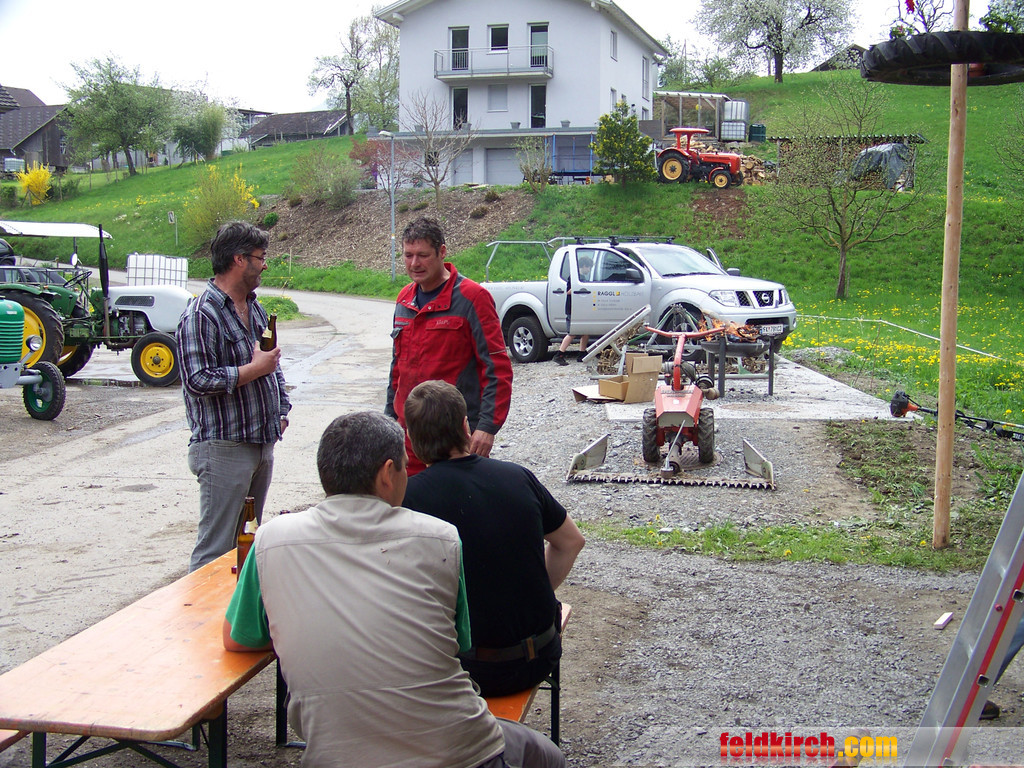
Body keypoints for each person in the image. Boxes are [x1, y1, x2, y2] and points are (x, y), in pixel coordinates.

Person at [223, 411, 564, 768]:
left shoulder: (271, 539)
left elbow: (236, 638)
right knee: (547, 755)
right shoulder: (439, 537)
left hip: (334, 757)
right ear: (388, 473)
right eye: (404, 465)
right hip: (457, 753)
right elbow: (458, 642)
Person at [402, 380, 585, 697]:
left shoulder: (410, 499)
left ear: (411, 439)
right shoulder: (518, 476)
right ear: (465, 427)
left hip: (466, 671)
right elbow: (571, 541)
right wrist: (530, 592)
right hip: (540, 655)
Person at [178, 221, 290, 572]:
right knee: (216, 552)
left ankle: (235, 608)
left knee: (246, 546)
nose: (265, 265)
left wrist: (282, 409)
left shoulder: (254, 308)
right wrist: (252, 370)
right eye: (261, 257)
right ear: (239, 259)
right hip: (224, 448)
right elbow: (197, 379)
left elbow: (271, 362)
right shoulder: (201, 314)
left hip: (261, 444)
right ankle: (200, 607)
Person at [385, 216, 513, 475]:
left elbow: (497, 367)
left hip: (454, 438)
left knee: (453, 501)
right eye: (408, 255)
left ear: (442, 252)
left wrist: (487, 427)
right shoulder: (404, 299)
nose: (414, 263)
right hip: (408, 436)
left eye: (423, 255)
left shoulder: (473, 298)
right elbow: (397, 369)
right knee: (409, 500)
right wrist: (389, 421)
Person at [552, 249, 592, 366]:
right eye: (589, 268)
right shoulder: (574, 278)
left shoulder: (582, 278)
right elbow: (568, 291)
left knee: (585, 331)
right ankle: (559, 354)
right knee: (572, 332)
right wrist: (579, 288)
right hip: (572, 309)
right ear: (584, 266)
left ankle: (582, 353)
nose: (589, 270)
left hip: (579, 309)